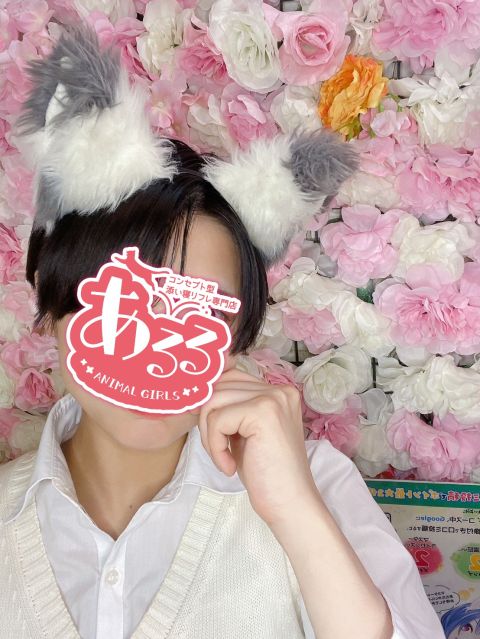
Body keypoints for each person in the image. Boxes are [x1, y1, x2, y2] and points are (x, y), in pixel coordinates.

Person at [0, 23, 446, 639]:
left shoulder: (318, 486)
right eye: (125, 305)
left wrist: (295, 512)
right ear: (53, 307)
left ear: (236, 338)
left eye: (201, 313)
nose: (158, 343)